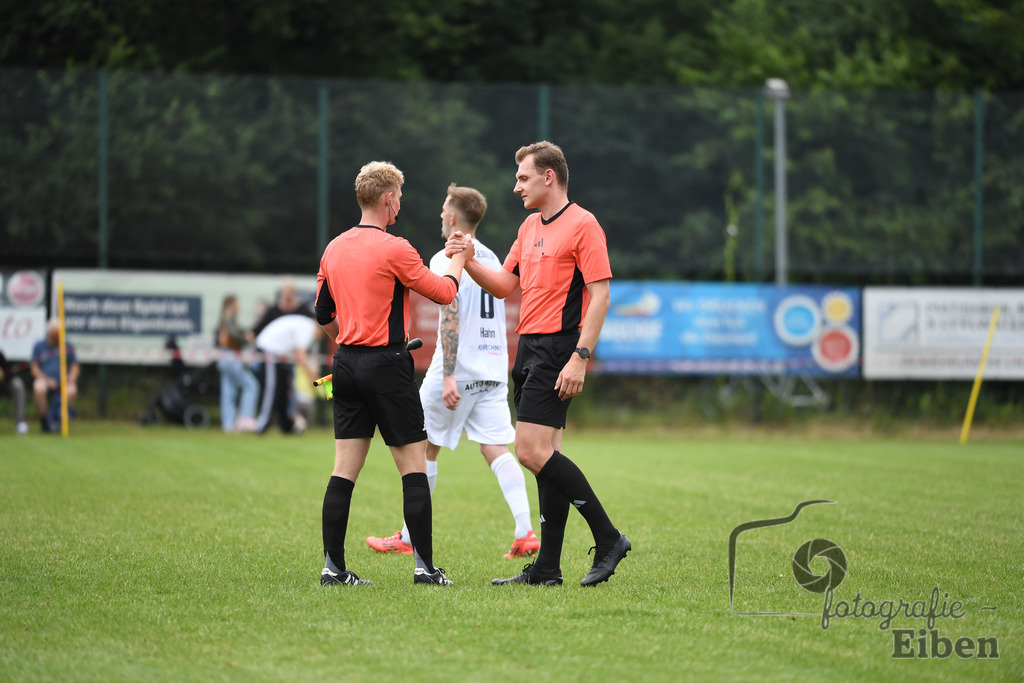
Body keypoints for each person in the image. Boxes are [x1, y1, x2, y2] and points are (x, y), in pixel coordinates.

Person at [448, 141, 630, 587]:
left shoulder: (584, 225)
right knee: (547, 456)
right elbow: (505, 285)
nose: (516, 187)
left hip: (558, 351)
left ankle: (609, 538)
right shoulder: (529, 226)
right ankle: (547, 568)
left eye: (523, 178)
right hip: (528, 349)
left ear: (549, 176)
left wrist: (579, 358)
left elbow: (601, 295)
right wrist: (468, 260)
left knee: (529, 450)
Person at [314, 160, 474, 587]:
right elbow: (443, 292)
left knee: (343, 471)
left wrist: (347, 341)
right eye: (398, 198)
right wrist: (457, 259)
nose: (399, 205)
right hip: (387, 365)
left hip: (345, 363)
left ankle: (333, 568)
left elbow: (322, 312)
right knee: (413, 467)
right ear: (388, 199)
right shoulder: (396, 247)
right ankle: (424, 568)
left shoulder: (334, 247)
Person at [365, 184, 539, 562]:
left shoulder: (447, 256)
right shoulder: (492, 256)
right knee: (496, 449)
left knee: (421, 448)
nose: (441, 215)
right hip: (493, 369)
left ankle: (410, 536)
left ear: (453, 217)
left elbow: (451, 314)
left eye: (445, 209)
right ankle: (525, 530)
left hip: (457, 370)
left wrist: (446, 374)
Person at [253, 311, 320, 434]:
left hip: (279, 355)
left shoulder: (305, 325)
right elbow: (301, 356)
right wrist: (313, 379)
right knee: (272, 388)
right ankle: (262, 425)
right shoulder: (308, 329)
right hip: (270, 350)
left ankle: (286, 426)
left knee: (283, 389)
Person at [215, 295, 259, 433]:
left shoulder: (222, 319)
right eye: (237, 304)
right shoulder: (229, 319)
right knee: (251, 385)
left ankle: (228, 425)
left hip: (223, 358)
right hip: (230, 357)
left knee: (229, 392)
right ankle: (245, 419)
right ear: (232, 305)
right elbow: (235, 335)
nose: (239, 306)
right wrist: (245, 337)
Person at [30, 319, 80, 434]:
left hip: (64, 380)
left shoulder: (67, 345)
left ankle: (60, 421)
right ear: (49, 333)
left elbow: (75, 366)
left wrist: (71, 377)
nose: (56, 338)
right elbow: (34, 368)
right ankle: (44, 422)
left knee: (71, 390)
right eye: (54, 335)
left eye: (58, 335)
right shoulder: (39, 346)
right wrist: (46, 380)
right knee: (38, 388)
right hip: (45, 380)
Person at [0, 349, 29, 435]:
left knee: (18, 385)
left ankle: (21, 423)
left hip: (5, 382)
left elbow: (8, 371)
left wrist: (3, 373)